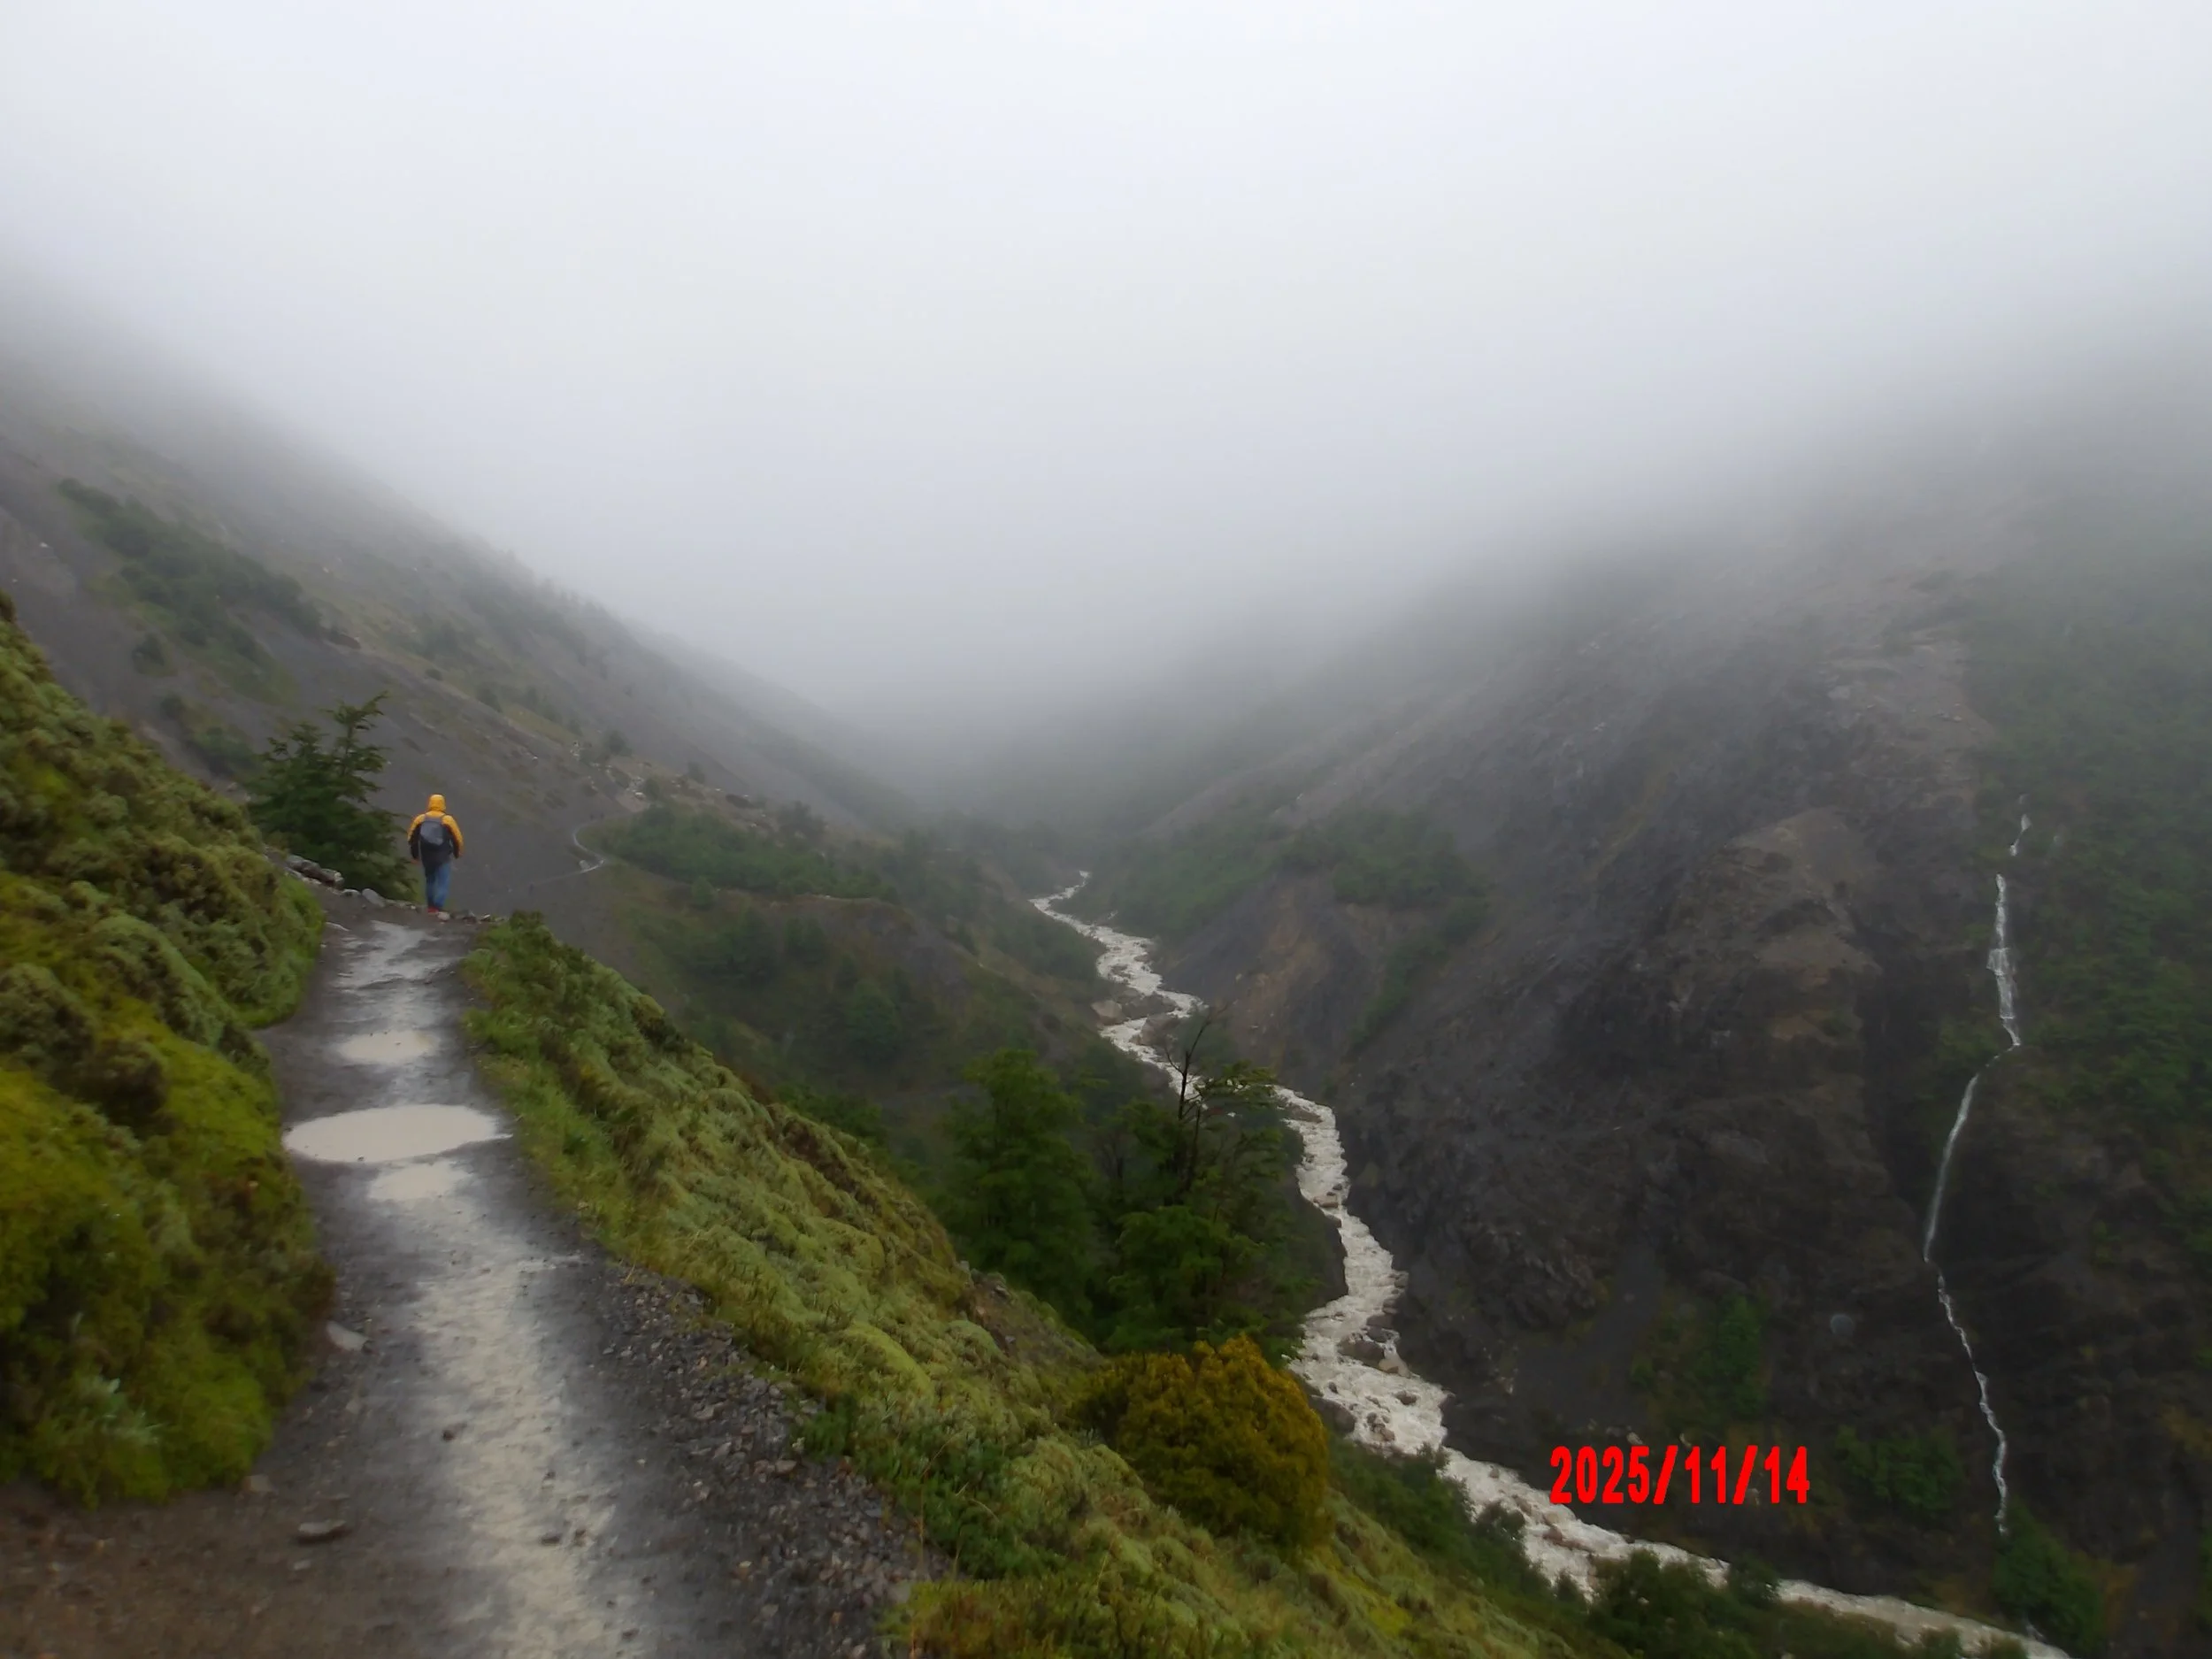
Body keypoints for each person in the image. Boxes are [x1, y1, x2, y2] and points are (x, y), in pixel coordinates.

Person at [407, 793, 465, 917]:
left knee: (430, 881)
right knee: (443, 882)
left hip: (427, 855)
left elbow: (412, 838)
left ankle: (431, 907)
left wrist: (415, 855)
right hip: (442, 856)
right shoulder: (447, 820)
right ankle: (438, 907)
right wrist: (457, 852)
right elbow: (457, 838)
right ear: (443, 804)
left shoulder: (421, 819)